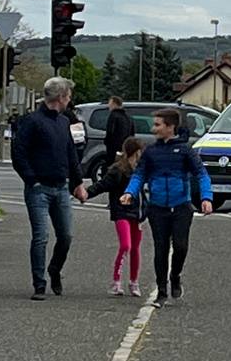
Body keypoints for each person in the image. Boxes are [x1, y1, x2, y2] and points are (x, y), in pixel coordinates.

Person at [120, 108, 212, 307]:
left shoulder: (186, 150)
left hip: (181, 206)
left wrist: (206, 198)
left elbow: (202, 174)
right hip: (157, 208)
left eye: (158, 124)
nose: (154, 129)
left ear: (170, 127)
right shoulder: (151, 152)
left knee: (180, 246)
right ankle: (161, 291)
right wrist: (130, 192)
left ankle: (175, 275)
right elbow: (139, 175)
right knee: (160, 250)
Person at [13, 77, 87, 300]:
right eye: (69, 97)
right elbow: (19, 152)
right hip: (39, 188)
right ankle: (39, 283)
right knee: (41, 236)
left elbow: (70, 154)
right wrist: (31, 179)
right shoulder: (32, 121)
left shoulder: (63, 122)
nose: (69, 101)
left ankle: (54, 268)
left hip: (61, 187)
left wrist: (78, 182)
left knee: (66, 235)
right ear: (61, 97)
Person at [86, 136, 146, 297]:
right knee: (126, 245)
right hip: (121, 212)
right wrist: (87, 193)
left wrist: (145, 211)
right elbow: (102, 185)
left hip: (136, 213)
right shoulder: (117, 171)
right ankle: (116, 281)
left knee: (135, 249)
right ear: (134, 153)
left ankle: (134, 281)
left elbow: (142, 195)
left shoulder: (141, 171)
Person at [101, 96, 133, 178]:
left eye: (109, 103)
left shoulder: (113, 116)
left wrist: (107, 142)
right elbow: (132, 133)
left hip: (113, 149)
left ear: (114, 104)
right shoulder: (128, 117)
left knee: (112, 168)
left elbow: (110, 132)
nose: (108, 106)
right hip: (125, 148)